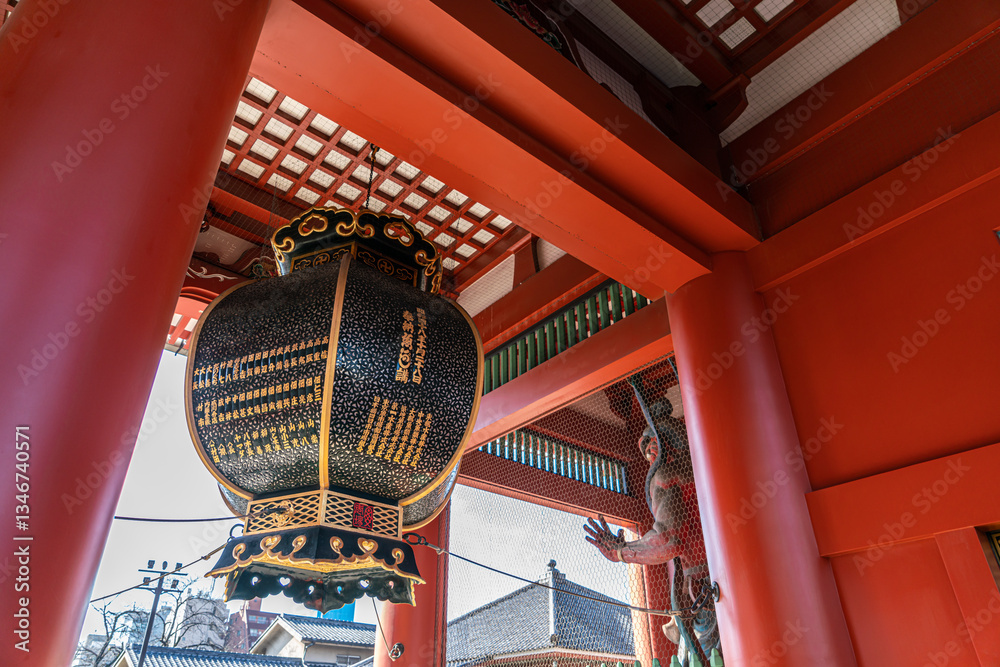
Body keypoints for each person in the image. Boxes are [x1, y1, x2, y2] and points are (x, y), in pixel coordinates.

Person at [583, 398, 718, 666]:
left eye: (650, 450)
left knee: (712, 654)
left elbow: (669, 540)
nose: (649, 459)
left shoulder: (665, 476)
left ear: (659, 447)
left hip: (709, 584)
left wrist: (622, 552)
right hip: (743, 566)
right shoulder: (708, 462)